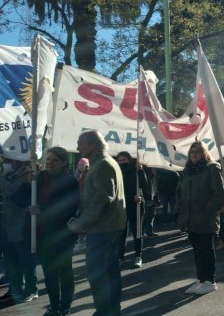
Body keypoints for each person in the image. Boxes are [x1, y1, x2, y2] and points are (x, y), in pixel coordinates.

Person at [68, 129, 127, 316]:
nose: (77, 147)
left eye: (80, 142)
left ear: (93, 145)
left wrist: (81, 223)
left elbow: (103, 198)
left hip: (103, 229)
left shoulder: (102, 165)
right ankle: (111, 309)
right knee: (110, 271)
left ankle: (105, 310)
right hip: (108, 227)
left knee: (98, 273)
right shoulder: (104, 163)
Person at [18, 147, 79, 316]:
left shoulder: (70, 181)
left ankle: (65, 307)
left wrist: (42, 209)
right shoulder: (40, 177)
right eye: (48, 159)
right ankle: (54, 305)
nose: (50, 163)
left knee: (65, 272)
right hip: (42, 234)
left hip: (63, 235)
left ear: (64, 163)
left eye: (55, 160)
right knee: (49, 273)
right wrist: (28, 183)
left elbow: (69, 207)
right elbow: (21, 199)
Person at [177, 142, 224, 295]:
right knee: (198, 251)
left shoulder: (211, 169)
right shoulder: (187, 172)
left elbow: (219, 195)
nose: (194, 155)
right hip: (191, 219)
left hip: (205, 218)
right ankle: (201, 279)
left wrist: (207, 211)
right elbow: (181, 192)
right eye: (192, 152)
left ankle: (210, 281)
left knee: (206, 250)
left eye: (197, 152)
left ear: (204, 153)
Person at [0, 158, 37, 304]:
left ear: (17, 161)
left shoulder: (27, 173)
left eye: (8, 160)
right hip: (6, 223)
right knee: (10, 260)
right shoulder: (7, 174)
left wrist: (1, 178)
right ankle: (14, 289)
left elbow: (12, 191)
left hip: (21, 224)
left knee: (25, 259)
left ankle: (31, 289)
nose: (5, 163)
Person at [116, 151, 149, 269]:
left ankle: (138, 256)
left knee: (137, 232)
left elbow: (144, 185)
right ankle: (120, 257)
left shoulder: (136, 170)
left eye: (124, 160)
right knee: (121, 233)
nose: (121, 162)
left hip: (136, 205)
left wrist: (140, 170)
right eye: (119, 160)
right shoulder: (117, 171)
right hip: (121, 206)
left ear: (129, 160)